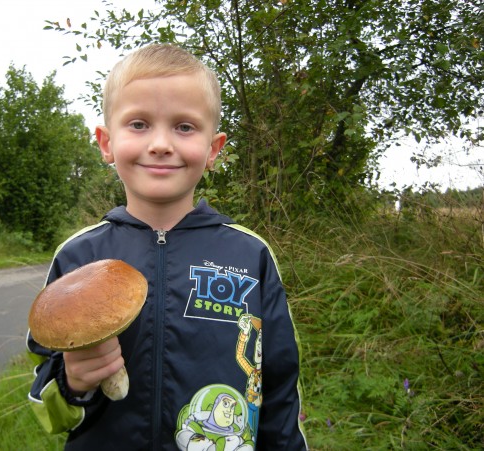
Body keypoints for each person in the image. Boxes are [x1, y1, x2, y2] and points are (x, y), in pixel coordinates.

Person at [27, 43, 308, 450]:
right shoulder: (77, 256)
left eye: (184, 127)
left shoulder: (250, 256)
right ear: (106, 142)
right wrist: (72, 386)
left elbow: (279, 383)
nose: (160, 143)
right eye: (138, 124)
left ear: (214, 149)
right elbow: (47, 398)